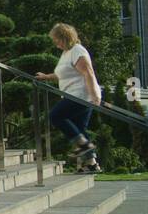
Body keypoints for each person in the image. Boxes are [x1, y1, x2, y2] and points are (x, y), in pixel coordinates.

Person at [35, 22, 103, 173]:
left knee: (55, 116)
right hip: (74, 94)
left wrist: (94, 96)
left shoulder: (77, 51)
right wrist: (46, 76)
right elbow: (63, 74)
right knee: (80, 128)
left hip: (81, 95)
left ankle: (84, 146)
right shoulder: (66, 53)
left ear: (64, 37)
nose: (56, 44)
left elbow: (88, 73)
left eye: (57, 40)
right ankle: (91, 164)